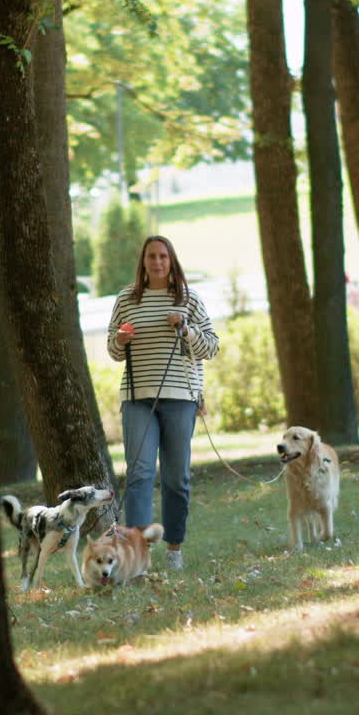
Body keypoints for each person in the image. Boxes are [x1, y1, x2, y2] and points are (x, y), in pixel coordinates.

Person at [106, 235, 219, 570]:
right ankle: (139, 554)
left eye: (163, 257)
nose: (157, 262)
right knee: (140, 472)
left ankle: (174, 548)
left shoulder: (188, 299)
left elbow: (211, 348)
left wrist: (186, 330)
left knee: (176, 476)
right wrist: (120, 339)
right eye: (152, 256)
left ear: (172, 261)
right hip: (137, 397)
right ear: (143, 261)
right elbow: (113, 351)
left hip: (180, 397)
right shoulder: (127, 299)